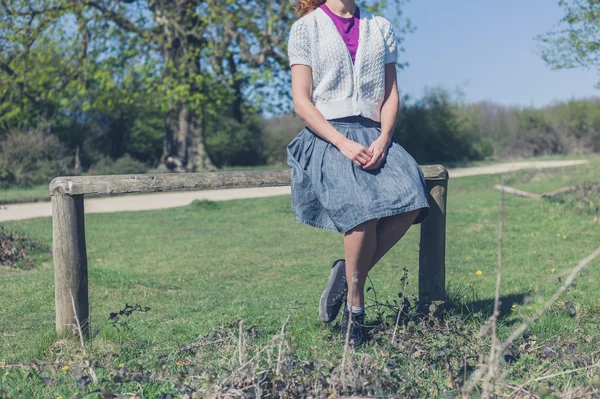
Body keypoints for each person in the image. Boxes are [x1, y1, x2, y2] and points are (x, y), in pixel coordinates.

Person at [286, 0, 430, 345]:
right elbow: (301, 101)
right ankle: (355, 310)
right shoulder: (306, 28)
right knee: (362, 211)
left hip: (374, 133)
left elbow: (391, 92)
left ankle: (346, 276)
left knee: (413, 198)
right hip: (327, 134)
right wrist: (342, 143)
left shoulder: (380, 27)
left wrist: (385, 137)